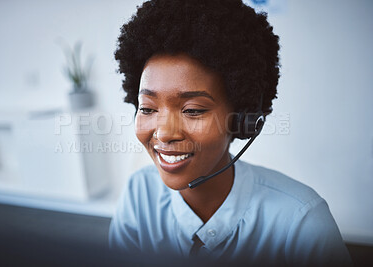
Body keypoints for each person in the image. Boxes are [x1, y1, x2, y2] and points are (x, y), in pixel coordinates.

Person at [108, 0, 352, 266]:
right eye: (147, 108)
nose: (164, 133)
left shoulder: (301, 221)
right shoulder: (139, 193)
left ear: (242, 119)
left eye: (192, 110)